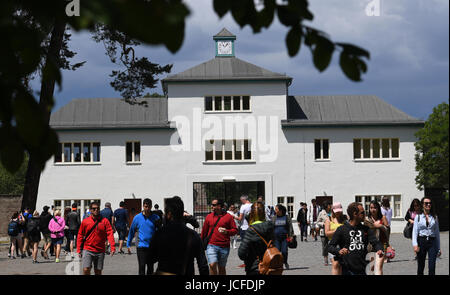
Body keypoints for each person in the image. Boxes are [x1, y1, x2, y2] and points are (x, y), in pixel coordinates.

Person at [149, 196, 209, 275]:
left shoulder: (160, 234)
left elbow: (150, 259)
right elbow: (203, 265)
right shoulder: (193, 235)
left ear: (169, 214)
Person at [328, 202, 383, 275]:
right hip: (347, 270)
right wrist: (339, 251)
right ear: (355, 214)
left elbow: (376, 242)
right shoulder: (341, 229)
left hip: (363, 269)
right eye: (362, 213)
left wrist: (379, 249)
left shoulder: (366, 229)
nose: (365, 215)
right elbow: (330, 246)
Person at [77, 202, 116, 275]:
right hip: (88, 249)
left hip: (100, 250)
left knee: (98, 271)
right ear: (90, 210)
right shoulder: (85, 221)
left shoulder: (105, 221)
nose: (96, 210)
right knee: (86, 269)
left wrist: (112, 247)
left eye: (97, 208)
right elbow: (80, 235)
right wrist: (79, 249)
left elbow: (110, 233)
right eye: (94, 209)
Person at [201, 199, 238, 275]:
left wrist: (227, 232)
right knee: (212, 265)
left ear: (220, 206)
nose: (212, 206)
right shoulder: (209, 217)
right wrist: (200, 243)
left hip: (224, 246)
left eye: (214, 205)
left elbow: (235, 230)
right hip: (211, 245)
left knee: (221, 268)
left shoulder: (228, 217)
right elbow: (204, 231)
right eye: (212, 205)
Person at [238, 202, 275, 275]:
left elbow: (241, 254)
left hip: (256, 267)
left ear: (251, 214)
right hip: (271, 265)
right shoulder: (271, 227)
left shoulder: (251, 231)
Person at [127, 198, 160, 275]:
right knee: (142, 266)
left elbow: (159, 232)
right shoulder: (137, 218)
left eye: (148, 207)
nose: (147, 209)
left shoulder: (156, 218)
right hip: (141, 246)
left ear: (151, 206)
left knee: (150, 267)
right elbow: (132, 230)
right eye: (145, 207)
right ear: (143, 206)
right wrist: (128, 243)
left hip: (152, 246)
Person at [412, 196, 442, 275]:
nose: (428, 205)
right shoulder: (418, 217)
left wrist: (438, 248)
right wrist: (415, 245)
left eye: (430, 203)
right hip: (421, 241)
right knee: (421, 266)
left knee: (432, 267)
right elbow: (415, 232)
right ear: (422, 205)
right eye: (426, 203)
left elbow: (437, 233)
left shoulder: (434, 217)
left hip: (432, 242)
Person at [364, 200, 389, 275]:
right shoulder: (367, 219)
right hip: (370, 245)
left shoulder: (383, 217)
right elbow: (365, 231)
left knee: (379, 266)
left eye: (375, 207)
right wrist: (374, 226)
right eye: (371, 208)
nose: (373, 209)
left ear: (378, 208)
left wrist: (380, 226)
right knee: (372, 266)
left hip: (381, 243)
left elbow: (387, 230)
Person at [325, 202, 347, 275]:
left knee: (342, 264)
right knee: (335, 264)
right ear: (333, 210)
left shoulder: (345, 219)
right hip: (333, 243)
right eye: (336, 211)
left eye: (339, 211)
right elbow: (327, 233)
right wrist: (337, 231)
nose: (338, 213)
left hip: (344, 244)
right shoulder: (329, 220)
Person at [271, 204, 294, 270]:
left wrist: (291, 236)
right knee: (277, 252)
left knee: (284, 251)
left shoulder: (287, 217)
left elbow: (290, 227)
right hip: (276, 238)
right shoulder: (274, 218)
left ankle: (285, 262)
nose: (275, 211)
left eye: (276, 209)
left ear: (280, 210)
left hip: (285, 238)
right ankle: (278, 264)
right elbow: (271, 228)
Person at [234, 195, 252, 268]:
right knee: (251, 245)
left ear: (243, 200)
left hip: (244, 227)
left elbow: (240, 218)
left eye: (241, 201)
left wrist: (233, 216)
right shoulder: (253, 205)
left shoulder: (243, 206)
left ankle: (246, 262)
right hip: (252, 227)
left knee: (245, 246)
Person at [317, 201, 332, 266]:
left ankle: (332, 258)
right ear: (326, 206)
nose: (330, 206)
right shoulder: (321, 213)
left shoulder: (332, 212)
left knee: (332, 244)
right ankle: (326, 260)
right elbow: (318, 222)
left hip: (331, 231)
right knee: (325, 246)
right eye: (329, 205)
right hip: (323, 232)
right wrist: (323, 224)